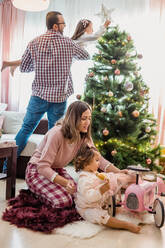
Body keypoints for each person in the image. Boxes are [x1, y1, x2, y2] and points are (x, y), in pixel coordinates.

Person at [2, 12, 90, 173]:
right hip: (59, 97)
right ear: (55, 26)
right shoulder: (68, 43)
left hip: (38, 96)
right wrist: (69, 56)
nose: (64, 26)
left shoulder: (34, 42)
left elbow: (25, 67)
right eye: (63, 24)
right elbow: (85, 56)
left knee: (26, 129)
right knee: (54, 135)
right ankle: (50, 171)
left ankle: (6, 169)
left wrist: (43, 64)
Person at [25, 100, 136, 212]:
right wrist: (65, 182)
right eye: (84, 119)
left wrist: (118, 172)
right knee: (63, 201)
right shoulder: (56, 133)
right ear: (73, 119)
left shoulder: (83, 136)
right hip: (37, 170)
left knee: (81, 197)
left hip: (57, 170)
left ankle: (47, 190)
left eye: (89, 118)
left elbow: (99, 159)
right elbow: (42, 166)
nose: (87, 122)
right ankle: (34, 194)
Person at [1, 19, 110, 75]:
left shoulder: (82, 37)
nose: (92, 29)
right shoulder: (84, 36)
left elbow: (94, 41)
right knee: (40, 64)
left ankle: (12, 64)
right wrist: (104, 26)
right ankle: (9, 64)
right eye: (91, 27)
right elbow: (95, 37)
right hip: (61, 58)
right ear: (85, 28)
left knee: (39, 62)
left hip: (62, 57)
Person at [73, 143, 141, 233]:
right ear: (86, 164)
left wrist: (116, 176)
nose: (99, 163)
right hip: (87, 208)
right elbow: (89, 197)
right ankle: (126, 225)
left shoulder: (93, 173)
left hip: (98, 203)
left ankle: (131, 183)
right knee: (101, 217)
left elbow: (105, 178)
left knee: (112, 180)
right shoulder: (84, 180)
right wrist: (101, 190)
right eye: (96, 160)